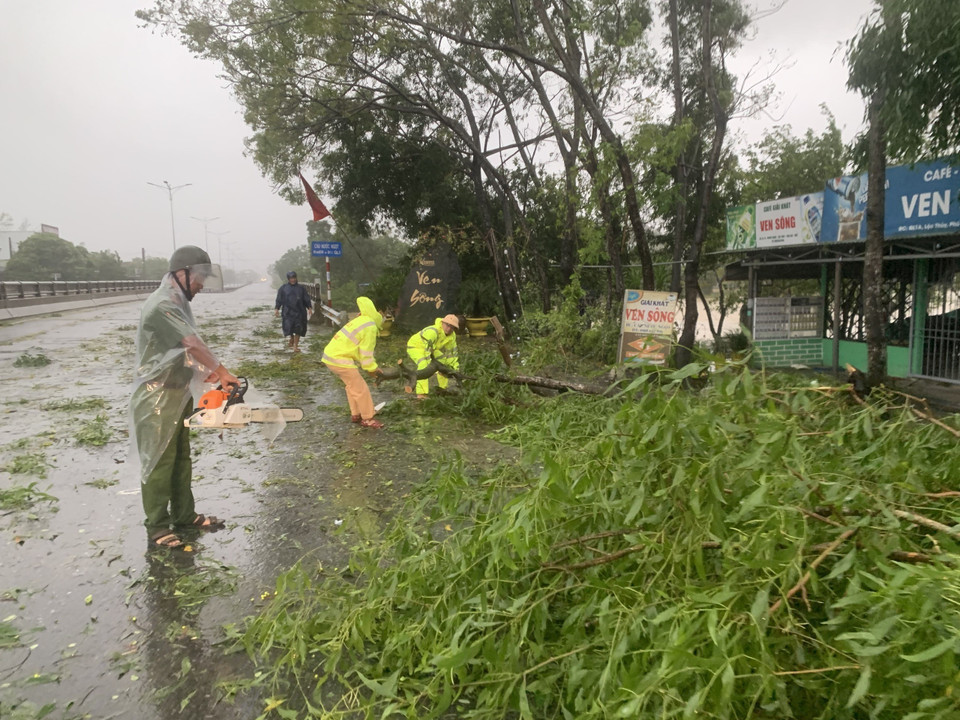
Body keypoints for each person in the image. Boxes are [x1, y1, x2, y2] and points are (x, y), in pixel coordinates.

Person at [129, 245, 240, 549]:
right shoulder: (162, 304)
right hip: (156, 398)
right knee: (160, 462)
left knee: (181, 458)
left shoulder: (179, 302)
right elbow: (191, 344)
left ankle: (184, 515)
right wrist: (222, 370)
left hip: (176, 393)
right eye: (200, 276)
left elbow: (184, 354)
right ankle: (157, 525)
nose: (202, 284)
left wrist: (212, 379)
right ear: (182, 273)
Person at [321, 296, 385, 429]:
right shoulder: (371, 327)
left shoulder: (360, 320)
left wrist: (371, 368)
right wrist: (373, 369)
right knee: (361, 388)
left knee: (352, 386)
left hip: (330, 356)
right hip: (340, 359)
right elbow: (366, 354)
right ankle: (368, 418)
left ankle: (356, 414)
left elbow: (356, 350)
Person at [406, 314, 460, 398]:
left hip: (432, 348)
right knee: (424, 365)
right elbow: (426, 351)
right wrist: (430, 368)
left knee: (443, 364)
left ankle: (442, 389)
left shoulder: (452, 336)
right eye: (447, 325)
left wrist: (455, 369)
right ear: (442, 323)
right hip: (415, 347)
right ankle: (422, 394)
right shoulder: (433, 331)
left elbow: (451, 353)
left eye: (452, 327)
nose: (449, 329)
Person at [274, 270, 313, 352]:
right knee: (289, 327)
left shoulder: (301, 288)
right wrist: (277, 308)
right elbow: (279, 299)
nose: (293, 280)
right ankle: (291, 337)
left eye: (294, 278)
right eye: (291, 278)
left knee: (298, 328)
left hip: (299, 311)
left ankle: (295, 345)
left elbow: (306, 298)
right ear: (288, 279)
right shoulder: (283, 288)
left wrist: (309, 307)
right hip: (287, 312)